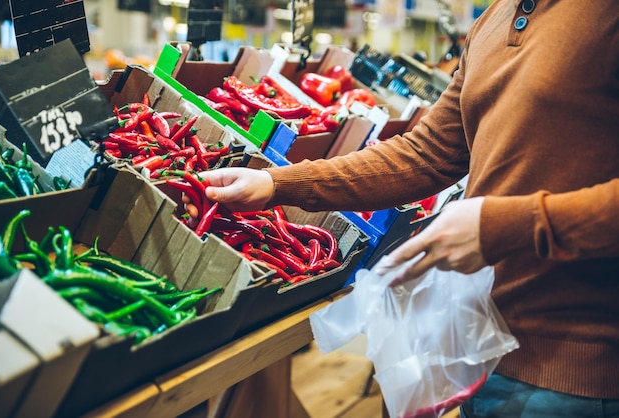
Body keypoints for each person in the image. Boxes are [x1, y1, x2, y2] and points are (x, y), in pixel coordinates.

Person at [200, 0, 619, 416]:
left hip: (576, 370)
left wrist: (507, 225)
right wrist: (278, 182)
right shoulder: (498, 15)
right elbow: (427, 153)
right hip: (479, 343)